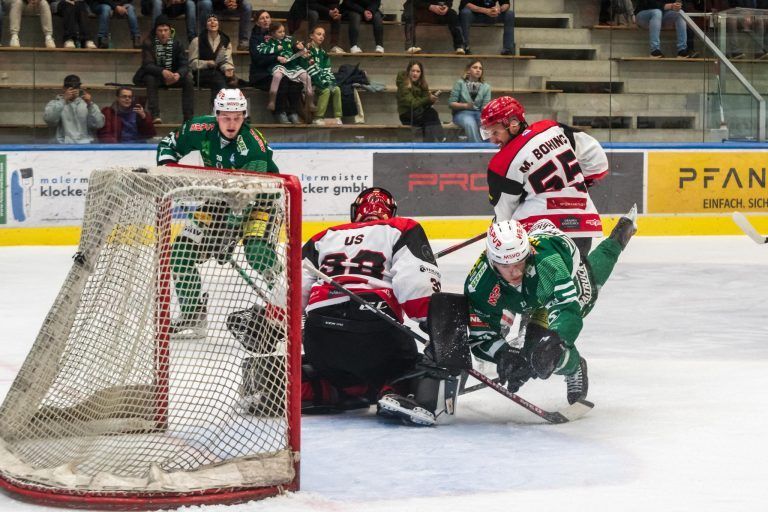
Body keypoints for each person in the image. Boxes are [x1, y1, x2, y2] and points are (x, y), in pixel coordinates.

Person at [300, 187, 452, 426]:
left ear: (355, 212)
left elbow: (292, 292)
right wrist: (434, 325)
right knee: (407, 363)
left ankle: (320, 387)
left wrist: (272, 318)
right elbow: (415, 286)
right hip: (375, 334)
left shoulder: (322, 237)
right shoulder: (402, 228)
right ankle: (397, 390)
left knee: (333, 368)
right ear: (390, 212)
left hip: (320, 337)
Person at [464, 209, 637, 405]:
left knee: (544, 354)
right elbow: (481, 337)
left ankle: (574, 366)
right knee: (531, 352)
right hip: (534, 288)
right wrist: (503, 354)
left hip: (564, 272)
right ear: (492, 262)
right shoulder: (479, 284)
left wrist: (555, 343)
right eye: (506, 265)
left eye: (520, 262)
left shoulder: (548, 264)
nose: (515, 271)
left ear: (528, 253)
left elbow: (568, 311)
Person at [157, 88, 280, 335]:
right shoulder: (200, 129)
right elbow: (169, 144)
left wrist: (228, 237)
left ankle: (286, 302)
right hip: (218, 201)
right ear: (216, 114)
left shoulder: (253, 147)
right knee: (180, 251)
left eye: (237, 117)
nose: (231, 123)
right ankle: (192, 314)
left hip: (260, 202)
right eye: (225, 116)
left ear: (244, 116)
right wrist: (168, 170)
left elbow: (246, 198)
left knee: (256, 252)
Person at [479, 96, 608, 256]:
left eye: (495, 132)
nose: (492, 139)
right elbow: (598, 161)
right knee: (574, 279)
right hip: (583, 226)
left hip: (541, 234)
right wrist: (578, 184)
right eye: (487, 133)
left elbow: (504, 219)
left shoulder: (501, 164)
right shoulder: (551, 128)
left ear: (513, 124)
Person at [133, 14, 195, 124]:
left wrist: (178, 75)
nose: (163, 33)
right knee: (150, 78)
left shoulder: (177, 43)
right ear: (155, 31)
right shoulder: (148, 42)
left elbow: (185, 64)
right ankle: (155, 114)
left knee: (188, 79)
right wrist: (162, 72)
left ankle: (188, 117)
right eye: (160, 30)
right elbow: (147, 65)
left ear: (170, 31)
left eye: (165, 30)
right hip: (156, 77)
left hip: (173, 77)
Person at [255, 21, 314, 116]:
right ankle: (272, 101)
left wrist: (299, 47)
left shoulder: (288, 39)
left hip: (292, 65)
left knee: (307, 77)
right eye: (280, 32)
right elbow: (261, 49)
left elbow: (295, 45)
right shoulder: (268, 40)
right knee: (277, 76)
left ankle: (310, 102)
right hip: (279, 65)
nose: (283, 33)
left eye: (283, 31)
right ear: (273, 33)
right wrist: (276, 50)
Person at [188, 13, 237, 104]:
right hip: (201, 74)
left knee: (232, 81)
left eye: (215, 20)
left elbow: (226, 60)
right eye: (209, 20)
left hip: (219, 72)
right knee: (218, 79)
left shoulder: (225, 40)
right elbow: (192, 63)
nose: (212, 22)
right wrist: (206, 63)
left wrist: (227, 69)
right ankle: (218, 109)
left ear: (219, 23)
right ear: (206, 25)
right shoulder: (197, 41)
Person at [43, 74, 105, 143]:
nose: (73, 90)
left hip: (85, 145)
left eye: (76, 87)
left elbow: (99, 124)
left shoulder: (87, 104)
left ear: (79, 88)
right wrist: (63, 101)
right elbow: (50, 121)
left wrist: (90, 105)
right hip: (62, 146)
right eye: (69, 87)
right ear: (63, 88)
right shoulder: (55, 103)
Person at [396, 60, 445, 142]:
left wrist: (431, 100)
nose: (415, 73)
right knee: (431, 115)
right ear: (408, 71)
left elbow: (425, 104)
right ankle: (441, 139)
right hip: (407, 114)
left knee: (430, 116)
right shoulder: (403, 84)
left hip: (420, 113)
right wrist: (427, 99)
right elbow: (412, 104)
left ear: (421, 73)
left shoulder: (423, 84)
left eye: (418, 71)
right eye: (413, 71)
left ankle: (430, 143)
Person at [306, 26, 343, 124]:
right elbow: (308, 69)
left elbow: (327, 71)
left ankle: (338, 117)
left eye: (323, 35)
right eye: (318, 34)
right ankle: (318, 118)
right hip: (311, 81)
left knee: (336, 89)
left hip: (322, 81)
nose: (321, 37)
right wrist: (321, 82)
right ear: (311, 36)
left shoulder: (323, 53)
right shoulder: (306, 50)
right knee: (325, 90)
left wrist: (330, 81)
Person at [448, 59, 491, 142]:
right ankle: (478, 149)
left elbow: (484, 108)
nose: (478, 70)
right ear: (468, 70)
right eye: (475, 67)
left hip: (479, 113)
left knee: (487, 124)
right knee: (470, 123)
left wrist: (486, 115)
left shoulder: (486, 87)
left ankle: (489, 148)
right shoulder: (460, 83)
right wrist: (465, 105)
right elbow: (451, 103)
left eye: (480, 68)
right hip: (461, 113)